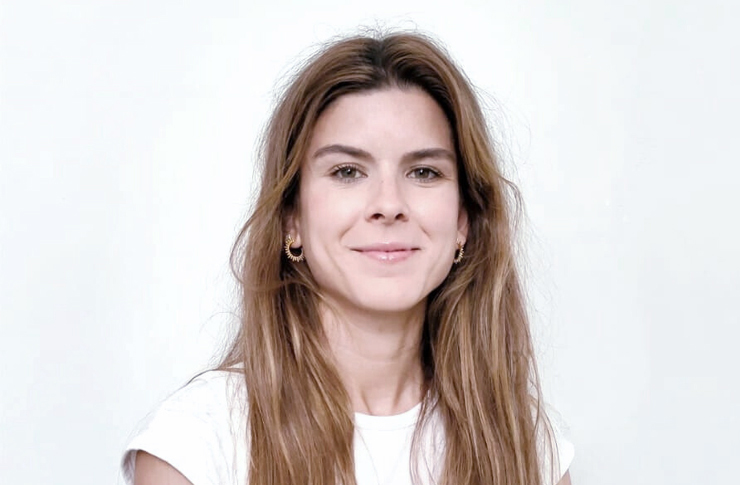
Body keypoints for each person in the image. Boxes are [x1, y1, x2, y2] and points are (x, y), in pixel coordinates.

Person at [121, 31, 574, 485]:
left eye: (423, 171)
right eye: (348, 171)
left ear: (463, 220)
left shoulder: (527, 443)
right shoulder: (197, 443)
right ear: (292, 218)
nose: (389, 204)